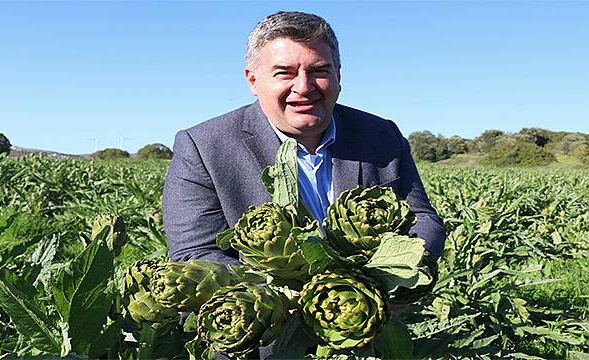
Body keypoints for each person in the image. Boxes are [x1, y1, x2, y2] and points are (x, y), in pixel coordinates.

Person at [163, 11, 445, 357]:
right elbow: (193, 252)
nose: (304, 87)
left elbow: (422, 218)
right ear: (253, 80)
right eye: (284, 73)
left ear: (338, 76)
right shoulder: (204, 146)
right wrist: (282, 295)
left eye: (319, 71)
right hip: (264, 344)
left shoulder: (381, 135)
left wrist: (388, 282)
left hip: (368, 334)